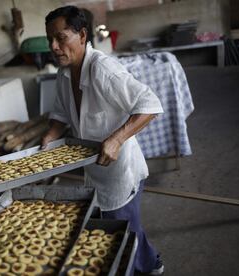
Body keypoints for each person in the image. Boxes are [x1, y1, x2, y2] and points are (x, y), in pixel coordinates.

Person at [42, 6, 165, 275]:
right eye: (49, 39)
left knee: (118, 240)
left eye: (61, 38)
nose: (54, 46)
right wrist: (50, 137)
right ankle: (153, 263)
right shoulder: (64, 74)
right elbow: (61, 114)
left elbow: (150, 104)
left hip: (120, 174)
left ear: (83, 35)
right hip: (95, 170)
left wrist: (117, 139)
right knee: (128, 226)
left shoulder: (103, 70)